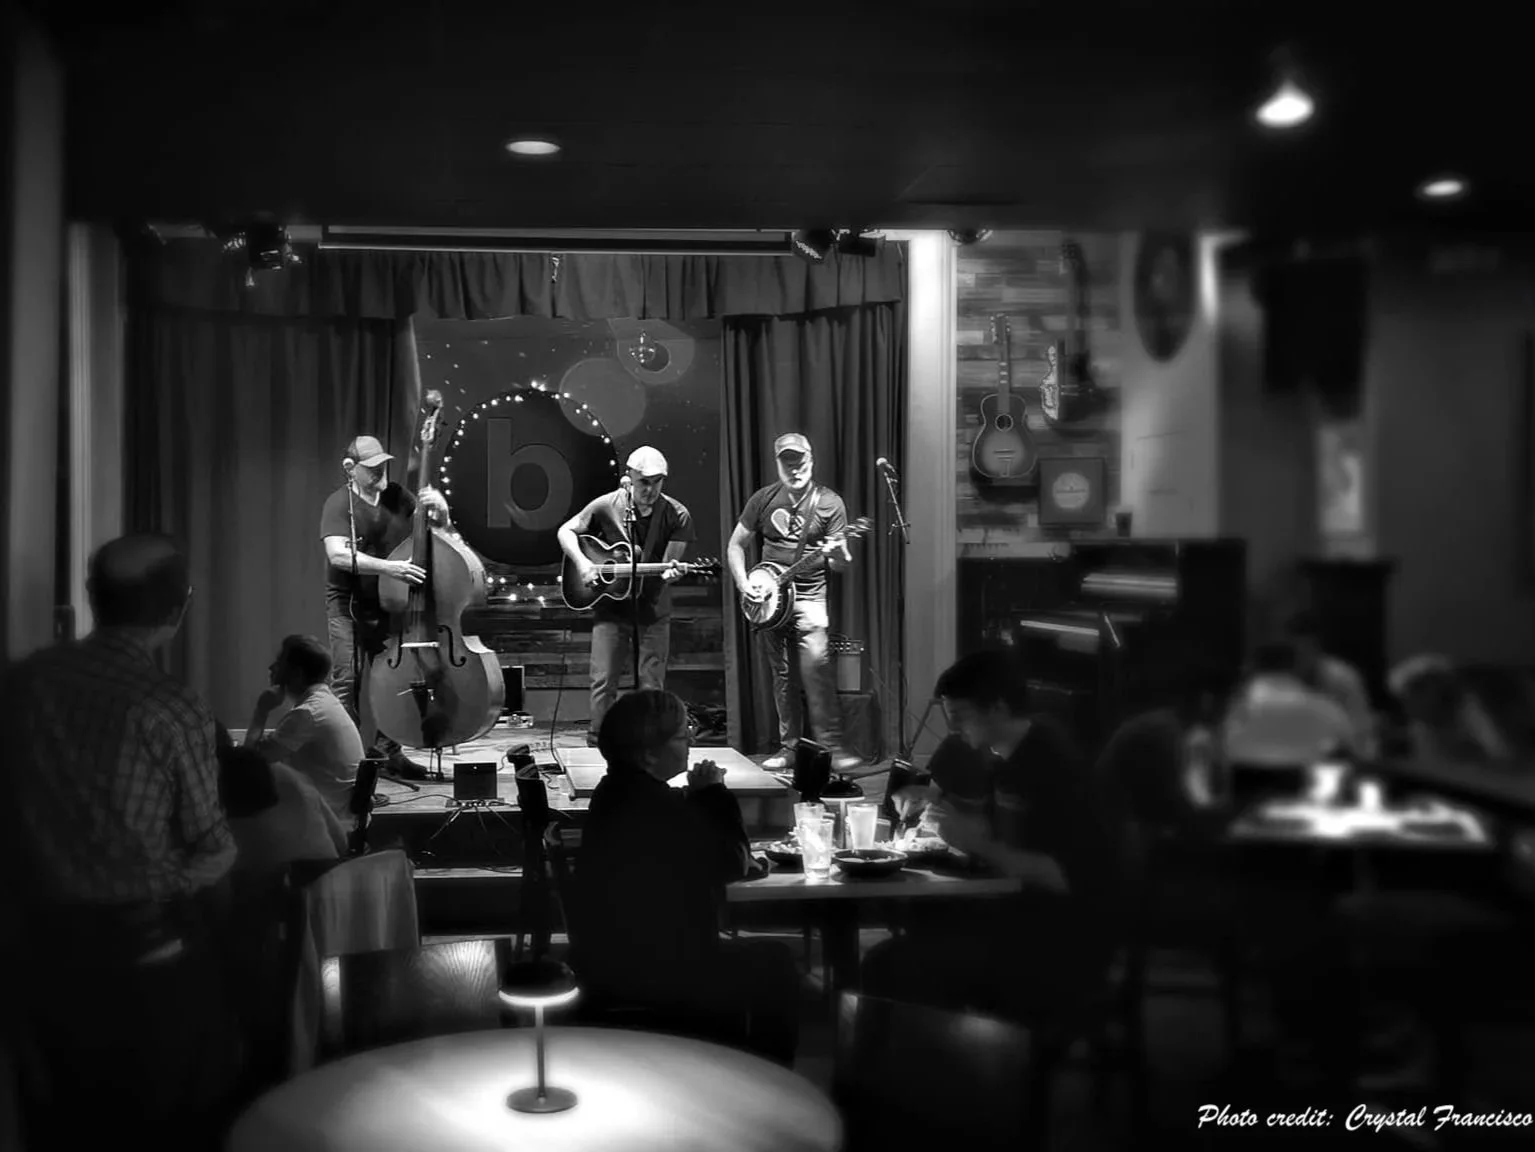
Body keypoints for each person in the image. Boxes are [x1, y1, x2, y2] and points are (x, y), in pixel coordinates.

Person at [3, 533, 239, 1151]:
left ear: (92, 597)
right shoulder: (169, 706)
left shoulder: (23, 684)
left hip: (35, 948)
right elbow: (210, 846)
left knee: (61, 1120)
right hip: (141, 955)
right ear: (178, 610)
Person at [864, 650, 1126, 1030]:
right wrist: (938, 802)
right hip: (1020, 920)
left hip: (1059, 943)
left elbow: (1065, 876)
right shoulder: (1008, 758)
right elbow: (999, 830)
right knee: (918, 928)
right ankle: (946, 1062)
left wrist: (980, 846)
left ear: (998, 707)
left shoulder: (1053, 763)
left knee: (892, 964)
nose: (954, 730)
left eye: (960, 718)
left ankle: (955, 1068)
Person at [567, 690, 799, 1065]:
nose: (691, 740)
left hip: (616, 956)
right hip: (655, 968)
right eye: (681, 735)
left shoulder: (620, 791)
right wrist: (714, 795)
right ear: (648, 753)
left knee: (768, 959)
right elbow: (734, 861)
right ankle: (764, 1071)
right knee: (777, 963)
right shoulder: (650, 805)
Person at [319, 433, 450, 778]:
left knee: (393, 681)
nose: (381, 473)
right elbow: (337, 554)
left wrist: (441, 513)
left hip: (389, 605)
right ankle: (350, 766)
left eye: (383, 466)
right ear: (350, 469)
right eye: (372, 468)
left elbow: (431, 529)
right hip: (347, 605)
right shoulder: (338, 504)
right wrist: (389, 568)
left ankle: (389, 752)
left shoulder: (396, 497)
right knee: (348, 681)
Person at [727, 432, 860, 772]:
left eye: (799, 461)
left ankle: (831, 751)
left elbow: (839, 565)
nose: (794, 468)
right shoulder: (764, 498)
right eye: (787, 461)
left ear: (811, 460)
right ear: (778, 463)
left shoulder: (830, 503)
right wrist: (745, 585)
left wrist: (841, 552)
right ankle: (789, 749)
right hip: (770, 600)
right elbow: (735, 545)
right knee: (782, 676)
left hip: (811, 599)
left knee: (816, 672)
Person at [557, 446, 695, 746]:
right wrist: (583, 563)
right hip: (611, 607)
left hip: (653, 607)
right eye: (643, 481)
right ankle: (599, 742)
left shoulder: (677, 514)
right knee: (603, 679)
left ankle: (649, 745)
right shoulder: (607, 505)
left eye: (657, 482)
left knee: (651, 683)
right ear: (628, 479)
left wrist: (672, 574)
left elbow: (668, 567)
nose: (650, 489)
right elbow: (565, 531)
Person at [243, 634, 364, 820]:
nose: (271, 668)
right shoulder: (324, 702)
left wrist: (262, 710)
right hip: (341, 813)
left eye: (279, 663)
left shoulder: (306, 714)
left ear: (297, 674)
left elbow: (249, 764)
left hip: (329, 823)